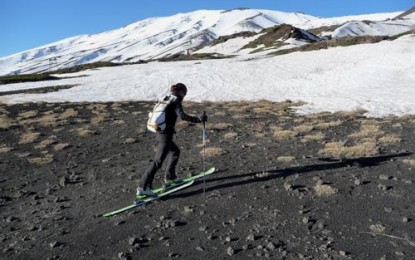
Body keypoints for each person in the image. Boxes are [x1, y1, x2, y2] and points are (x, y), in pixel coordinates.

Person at [137, 83, 208, 196]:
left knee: (175, 152)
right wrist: (198, 119)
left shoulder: (166, 99)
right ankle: (143, 187)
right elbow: (182, 116)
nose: (184, 95)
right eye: (184, 93)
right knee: (158, 161)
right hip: (165, 134)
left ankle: (170, 177)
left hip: (160, 131)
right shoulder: (176, 100)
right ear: (181, 92)